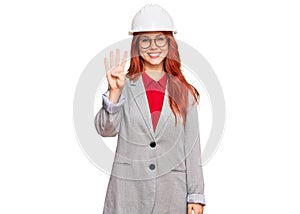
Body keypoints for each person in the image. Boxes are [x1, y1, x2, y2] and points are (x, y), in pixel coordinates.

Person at [94, 4, 205, 214]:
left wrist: (196, 196)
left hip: (171, 193)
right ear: (136, 45)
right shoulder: (123, 84)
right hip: (128, 192)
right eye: (145, 39)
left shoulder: (184, 92)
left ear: (170, 43)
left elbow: (192, 150)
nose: (153, 46)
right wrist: (114, 93)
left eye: (160, 39)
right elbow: (105, 130)